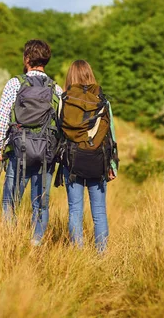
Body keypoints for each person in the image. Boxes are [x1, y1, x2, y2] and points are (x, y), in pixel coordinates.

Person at [0, 39, 63, 245]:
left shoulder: (15, 83)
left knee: (10, 201)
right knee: (41, 205)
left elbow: (3, 117)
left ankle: (9, 243)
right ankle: (36, 244)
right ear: (46, 61)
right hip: (46, 154)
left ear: (27, 59)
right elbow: (60, 122)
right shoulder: (55, 89)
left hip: (18, 152)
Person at [58, 60, 118, 253]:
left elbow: (59, 133)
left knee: (75, 210)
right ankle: (101, 254)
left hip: (72, 161)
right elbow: (111, 136)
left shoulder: (64, 99)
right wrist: (113, 165)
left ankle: (78, 254)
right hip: (97, 161)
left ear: (71, 76)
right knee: (99, 212)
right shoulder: (103, 101)